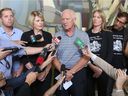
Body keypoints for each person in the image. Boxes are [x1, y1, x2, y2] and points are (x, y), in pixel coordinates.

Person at [53, 9, 90, 96]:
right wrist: (63, 72)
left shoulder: (82, 36)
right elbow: (53, 56)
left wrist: (71, 72)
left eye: (67, 19)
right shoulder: (57, 36)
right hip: (61, 73)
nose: (64, 22)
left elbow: (86, 57)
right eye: (63, 19)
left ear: (74, 19)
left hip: (77, 73)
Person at [21, 11, 53, 96]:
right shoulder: (26, 35)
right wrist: (35, 72)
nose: (41, 23)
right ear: (32, 22)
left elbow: (51, 55)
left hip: (45, 73)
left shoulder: (48, 35)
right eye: (38, 21)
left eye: (42, 20)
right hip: (30, 72)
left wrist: (45, 72)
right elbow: (22, 55)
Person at [86, 9, 113, 96]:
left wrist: (101, 69)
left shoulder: (108, 34)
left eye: (98, 17)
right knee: (89, 93)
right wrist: (92, 66)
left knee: (103, 93)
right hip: (89, 68)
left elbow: (110, 54)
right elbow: (83, 52)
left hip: (103, 70)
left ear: (102, 20)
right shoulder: (86, 34)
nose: (95, 19)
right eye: (94, 17)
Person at [0, 8, 27, 77]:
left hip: (18, 73)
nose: (9, 18)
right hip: (2, 75)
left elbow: (25, 53)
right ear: (1, 19)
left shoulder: (20, 33)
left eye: (11, 16)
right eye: (6, 16)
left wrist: (20, 69)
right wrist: (14, 42)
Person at [107, 12, 128, 96]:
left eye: (121, 22)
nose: (117, 23)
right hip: (108, 66)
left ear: (125, 24)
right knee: (107, 91)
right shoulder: (107, 29)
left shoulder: (126, 33)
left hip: (122, 67)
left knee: (119, 91)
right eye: (117, 20)